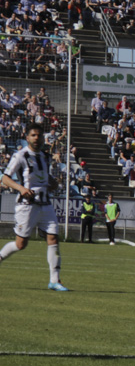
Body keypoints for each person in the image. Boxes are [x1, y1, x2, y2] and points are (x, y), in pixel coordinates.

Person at [0, 124, 68, 291]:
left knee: (53, 238)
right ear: (27, 137)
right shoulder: (20, 155)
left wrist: (52, 183)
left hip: (45, 204)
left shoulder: (45, 156)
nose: (37, 138)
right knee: (21, 244)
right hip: (27, 205)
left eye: (39, 135)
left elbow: (44, 177)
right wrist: (21, 189)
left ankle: (55, 281)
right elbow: (5, 178)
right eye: (33, 135)